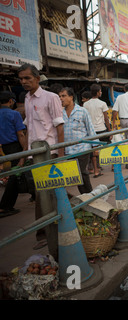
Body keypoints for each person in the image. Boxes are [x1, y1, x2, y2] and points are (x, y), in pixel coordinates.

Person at [18, 63, 65, 252]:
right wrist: (24, 154)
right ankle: (61, 221)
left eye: (27, 78)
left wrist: (60, 155)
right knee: (47, 191)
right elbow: (29, 128)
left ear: (37, 78)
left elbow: (59, 127)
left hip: (49, 151)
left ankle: (44, 233)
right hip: (33, 154)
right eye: (21, 79)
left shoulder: (51, 97)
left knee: (43, 192)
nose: (24, 82)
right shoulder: (27, 100)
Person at [59, 87, 98, 195]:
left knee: (81, 173)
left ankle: (89, 197)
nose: (61, 99)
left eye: (63, 96)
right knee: (70, 176)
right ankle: (85, 197)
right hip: (67, 150)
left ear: (71, 97)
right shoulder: (59, 113)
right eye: (59, 96)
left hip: (82, 148)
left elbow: (90, 128)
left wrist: (95, 146)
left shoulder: (82, 111)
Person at [0, 91, 27, 218]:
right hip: (15, 146)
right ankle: (5, 206)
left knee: (15, 173)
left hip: (4, 147)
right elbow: (20, 134)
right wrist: (25, 149)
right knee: (15, 174)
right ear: (10, 101)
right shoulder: (14, 114)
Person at [83, 84, 111, 177]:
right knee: (109, 147)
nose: (101, 92)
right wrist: (110, 130)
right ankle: (114, 166)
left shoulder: (86, 104)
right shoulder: (102, 103)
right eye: (100, 91)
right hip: (101, 129)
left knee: (94, 151)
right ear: (98, 92)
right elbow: (106, 119)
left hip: (91, 131)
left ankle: (96, 170)